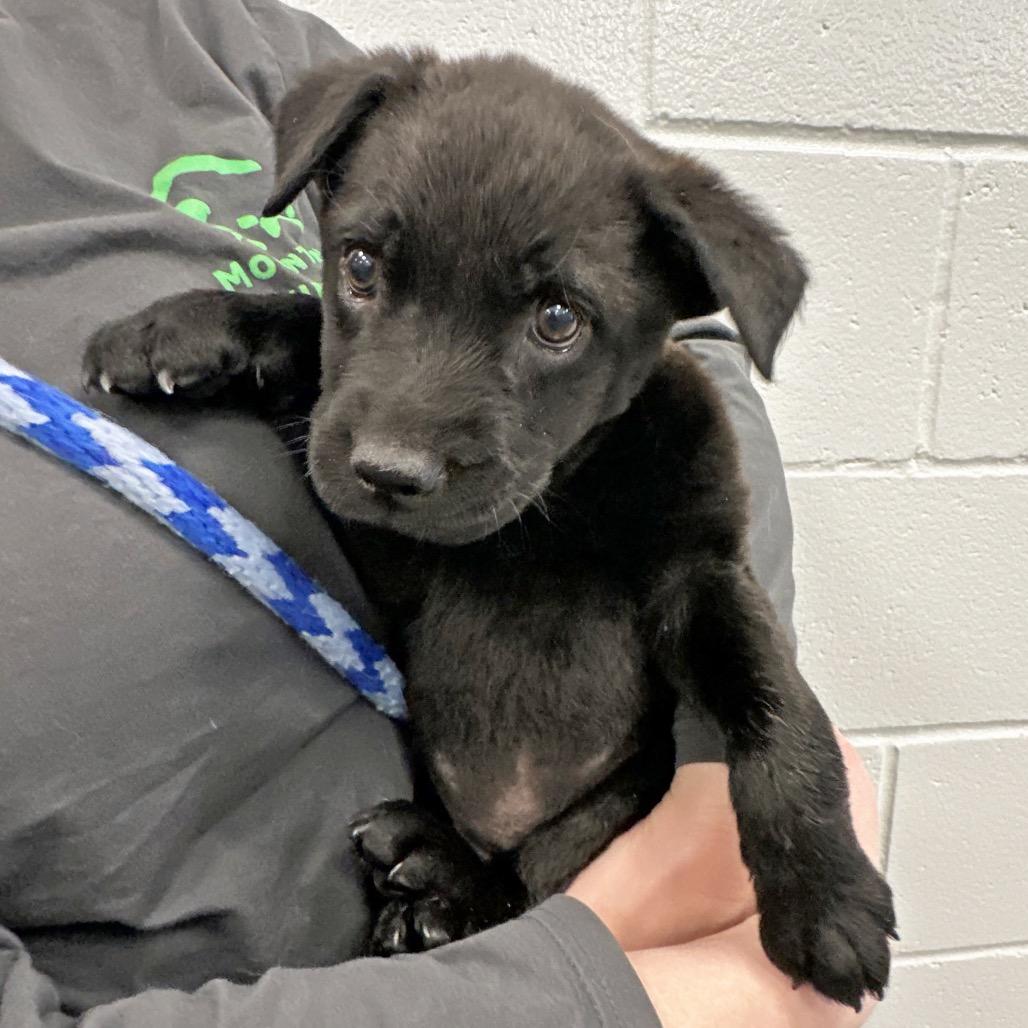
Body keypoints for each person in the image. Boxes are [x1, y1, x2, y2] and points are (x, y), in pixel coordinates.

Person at [0, 0, 883, 1024]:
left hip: (609, 821)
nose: (396, 441)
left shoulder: (223, 38)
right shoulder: (362, 129)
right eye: (366, 269)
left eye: (554, 317)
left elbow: (706, 549)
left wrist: (776, 803)